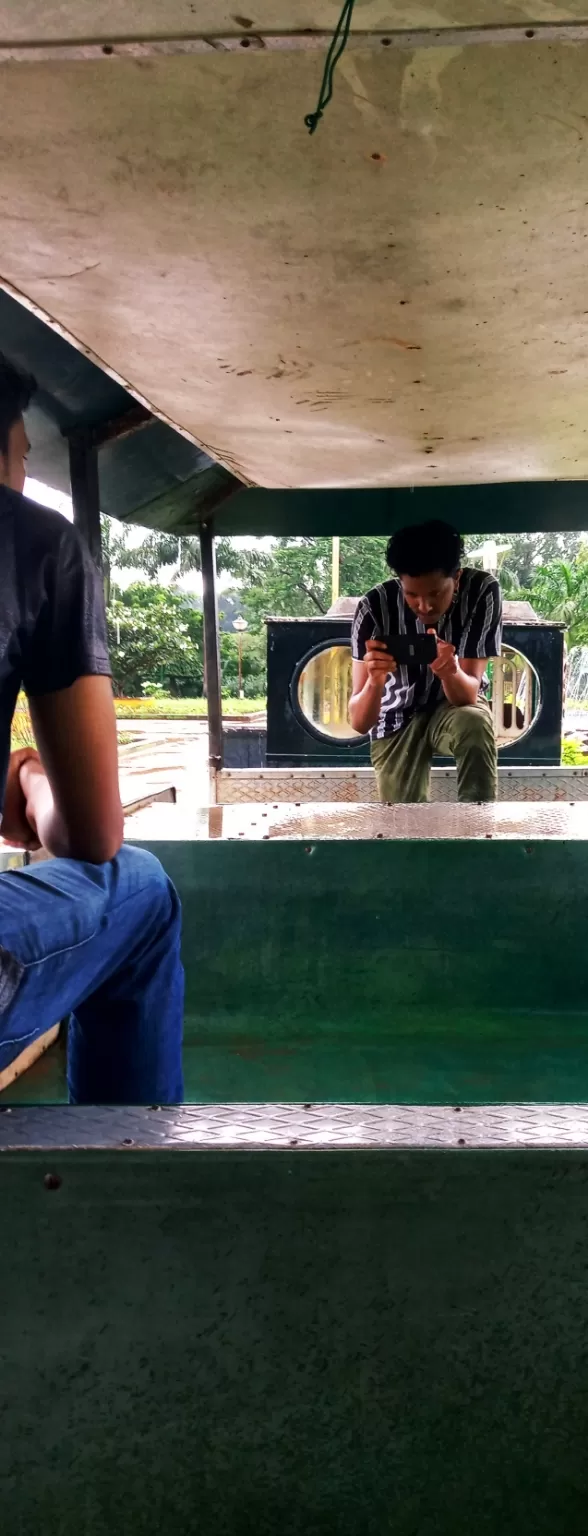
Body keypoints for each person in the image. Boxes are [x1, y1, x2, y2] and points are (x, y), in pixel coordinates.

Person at [0, 354, 183, 1104]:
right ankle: (132, 1180)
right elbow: (91, 835)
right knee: (138, 888)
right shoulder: (34, 544)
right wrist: (29, 775)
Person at [349, 520, 502, 803]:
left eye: (435, 593)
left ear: (456, 577)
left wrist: (450, 671)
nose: (424, 606)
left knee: (475, 722)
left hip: (454, 706)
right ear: (400, 581)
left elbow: (467, 695)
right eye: (411, 595)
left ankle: (478, 833)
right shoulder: (373, 607)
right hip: (394, 717)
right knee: (401, 828)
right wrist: (375, 681)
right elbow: (359, 721)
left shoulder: (481, 591)